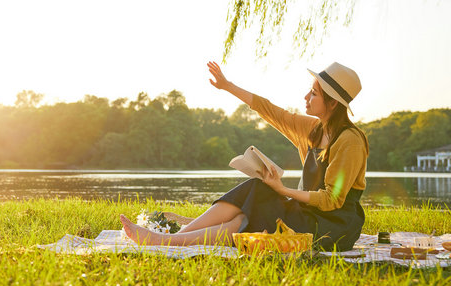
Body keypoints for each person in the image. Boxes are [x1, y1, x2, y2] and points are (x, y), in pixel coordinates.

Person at [120, 61, 369, 251]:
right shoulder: (314, 130)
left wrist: (282, 191)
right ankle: (170, 238)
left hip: (332, 227)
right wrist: (227, 86)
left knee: (250, 210)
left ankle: (166, 240)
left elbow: (331, 200)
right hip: (305, 213)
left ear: (333, 103)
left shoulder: (350, 140)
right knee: (253, 194)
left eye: (314, 94)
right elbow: (270, 110)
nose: (306, 97)